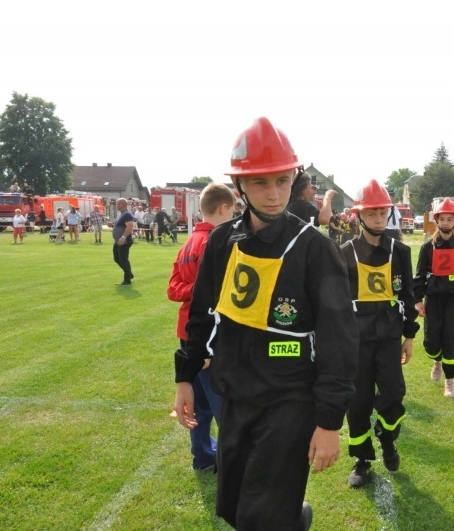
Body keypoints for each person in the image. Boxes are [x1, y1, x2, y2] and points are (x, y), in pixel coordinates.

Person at [173, 117, 358, 530]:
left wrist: (329, 422)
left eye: (282, 181)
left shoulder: (317, 250)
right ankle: (297, 518)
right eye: (260, 183)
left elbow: (340, 342)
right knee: (236, 508)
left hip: (291, 400)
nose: (274, 194)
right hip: (235, 396)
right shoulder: (222, 242)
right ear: (240, 188)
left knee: (262, 518)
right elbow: (202, 314)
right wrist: (185, 377)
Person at [337, 179, 418, 489]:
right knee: (357, 403)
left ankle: (387, 436)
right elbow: (337, 303)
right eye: (371, 214)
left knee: (394, 394)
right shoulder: (344, 252)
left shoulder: (401, 251)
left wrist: (409, 336)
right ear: (359, 216)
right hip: (356, 342)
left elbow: (408, 296)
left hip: (388, 338)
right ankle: (362, 460)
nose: (378, 219)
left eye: (383, 213)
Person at [168, 183, 236, 472]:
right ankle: (233, 461)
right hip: (208, 335)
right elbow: (217, 292)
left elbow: (174, 289)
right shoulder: (215, 241)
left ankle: (202, 456)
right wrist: (202, 290)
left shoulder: (188, 243)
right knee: (224, 403)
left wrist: (193, 290)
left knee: (198, 403)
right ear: (223, 208)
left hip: (187, 333)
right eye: (233, 211)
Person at [413, 198, 454, 398]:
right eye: (443, 219)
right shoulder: (427, 247)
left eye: (450, 219)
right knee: (431, 343)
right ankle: (437, 361)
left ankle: (449, 381)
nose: (446, 223)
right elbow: (419, 275)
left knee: (452, 340)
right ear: (437, 221)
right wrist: (417, 300)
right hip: (433, 300)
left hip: (453, 302)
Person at [112, 198, 134, 285]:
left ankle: (127, 279)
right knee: (117, 258)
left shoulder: (127, 214)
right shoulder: (121, 214)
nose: (116, 205)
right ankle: (129, 274)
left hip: (124, 241)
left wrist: (123, 237)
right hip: (118, 241)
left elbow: (130, 226)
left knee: (123, 259)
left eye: (117, 204)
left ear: (122, 204)